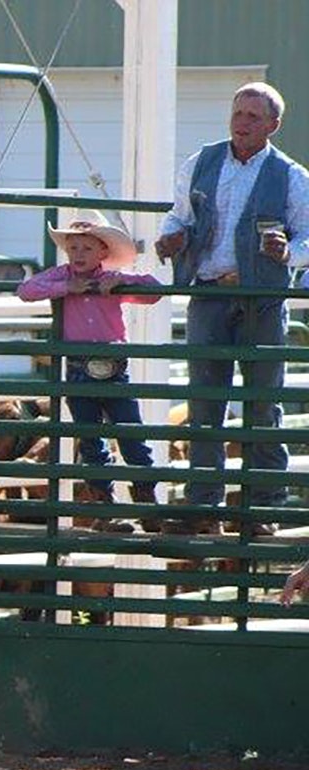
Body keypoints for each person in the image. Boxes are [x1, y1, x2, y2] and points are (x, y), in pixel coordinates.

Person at [156, 82, 309, 537]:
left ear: (273, 125)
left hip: (260, 295)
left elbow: (307, 237)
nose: (242, 123)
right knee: (205, 402)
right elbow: (178, 214)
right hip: (209, 291)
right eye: (238, 113)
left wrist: (288, 254)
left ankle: (263, 507)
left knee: (263, 403)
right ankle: (206, 503)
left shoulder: (292, 176)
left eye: (253, 117)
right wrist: (171, 238)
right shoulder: (201, 162)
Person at [17, 210, 164, 532]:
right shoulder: (61, 277)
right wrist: (68, 287)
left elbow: (154, 290)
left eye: (87, 248)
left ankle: (146, 505)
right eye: (74, 248)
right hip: (82, 367)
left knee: (130, 434)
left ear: (103, 253)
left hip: (110, 367)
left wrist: (119, 282)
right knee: (92, 440)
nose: (79, 254)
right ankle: (106, 509)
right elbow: (26, 290)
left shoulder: (112, 280)